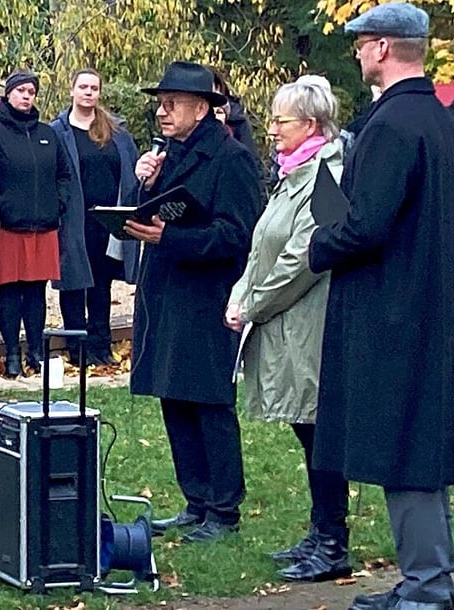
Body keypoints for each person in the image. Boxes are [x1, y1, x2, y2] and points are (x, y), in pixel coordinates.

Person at [308, 5, 454, 609]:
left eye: (364, 43)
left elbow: (368, 223)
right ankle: (425, 578)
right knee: (422, 440)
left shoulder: (393, 124)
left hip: (395, 307)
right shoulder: (436, 118)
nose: (359, 53)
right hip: (428, 299)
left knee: (408, 447)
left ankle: (427, 586)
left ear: (385, 49)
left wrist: (320, 243)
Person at [127, 61, 261, 543]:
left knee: (207, 402)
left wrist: (172, 239)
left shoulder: (231, 158)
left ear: (201, 108)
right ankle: (196, 500)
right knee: (174, 398)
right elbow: (149, 216)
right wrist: (141, 185)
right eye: (160, 104)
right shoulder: (170, 153)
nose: (162, 112)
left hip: (206, 298)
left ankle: (223, 509)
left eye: (171, 104)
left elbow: (239, 234)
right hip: (166, 294)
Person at [225, 75, 350, 581]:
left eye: (282, 120)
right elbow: (265, 246)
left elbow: (305, 258)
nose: (272, 128)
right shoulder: (292, 173)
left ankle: (333, 540)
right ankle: (320, 532)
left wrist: (252, 303)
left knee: (319, 431)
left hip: (311, 325)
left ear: (313, 124)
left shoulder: (328, 175)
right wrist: (242, 293)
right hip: (287, 323)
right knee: (309, 431)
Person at [0, 71, 71, 377]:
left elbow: (63, 174)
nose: (26, 96)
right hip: (6, 227)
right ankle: (11, 353)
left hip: (43, 226)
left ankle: (35, 352)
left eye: (30, 91)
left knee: (36, 292)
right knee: (9, 292)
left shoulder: (48, 133)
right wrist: (0, 206)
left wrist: (58, 203)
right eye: (20, 90)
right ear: (8, 95)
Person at [50, 68, 141, 366]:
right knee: (75, 283)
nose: (89, 92)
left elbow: (131, 170)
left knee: (101, 285)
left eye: (94, 88)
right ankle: (77, 349)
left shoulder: (115, 131)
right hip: (74, 220)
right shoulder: (57, 132)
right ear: (72, 90)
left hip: (109, 220)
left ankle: (101, 346)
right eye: (83, 87)